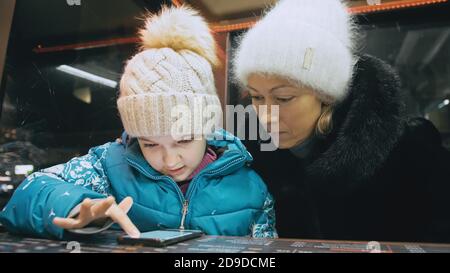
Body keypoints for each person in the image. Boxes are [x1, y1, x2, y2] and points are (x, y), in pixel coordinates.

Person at [0, 5, 277, 240]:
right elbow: (30, 190)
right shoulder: (109, 167)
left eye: (183, 140)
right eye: (150, 144)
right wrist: (72, 206)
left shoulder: (250, 190)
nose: (169, 160)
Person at [232, 0, 450, 243]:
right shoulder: (244, 159)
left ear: (326, 95)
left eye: (284, 98)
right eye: (256, 96)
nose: (265, 115)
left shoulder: (410, 157)